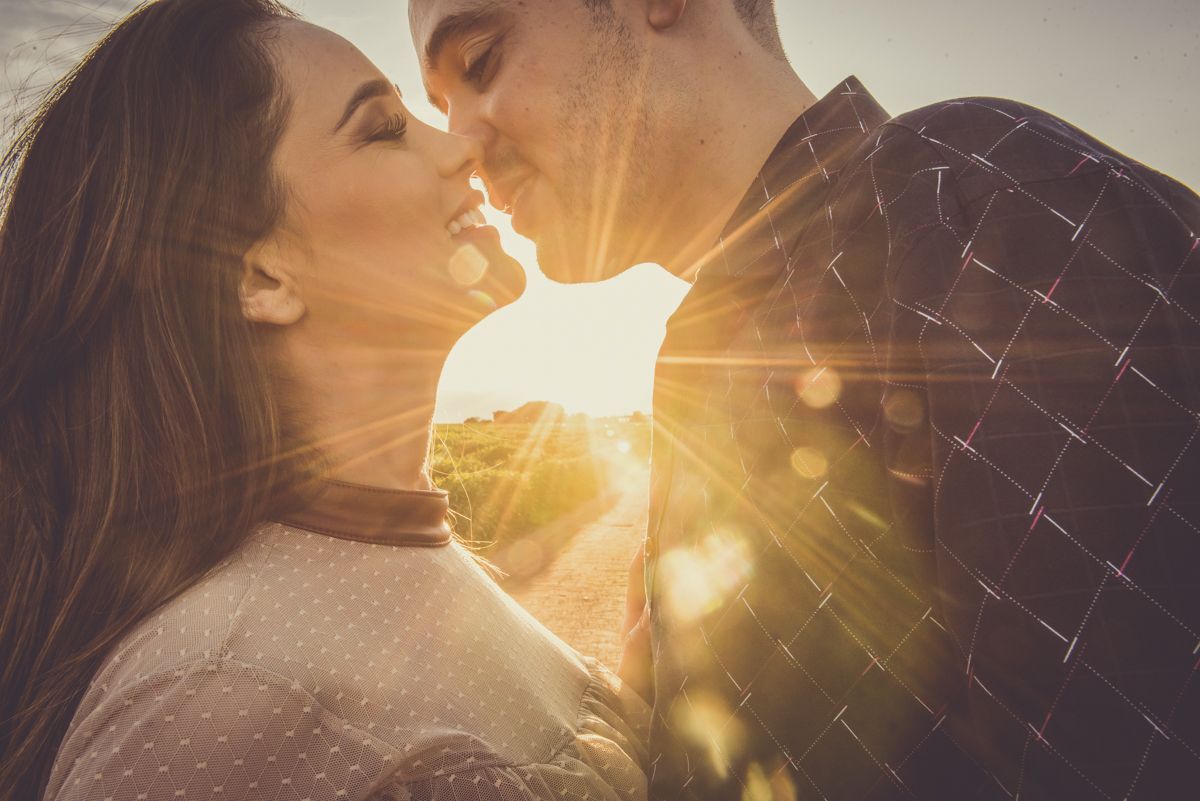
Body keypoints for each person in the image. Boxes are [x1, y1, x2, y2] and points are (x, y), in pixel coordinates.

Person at [410, 0, 1200, 798]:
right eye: (440, 106)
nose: (458, 144)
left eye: (479, 63)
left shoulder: (980, 208)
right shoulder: (700, 350)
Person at [0, 1, 650, 799]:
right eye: (383, 128)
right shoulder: (210, 706)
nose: (462, 148)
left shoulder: (407, 556)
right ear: (261, 275)